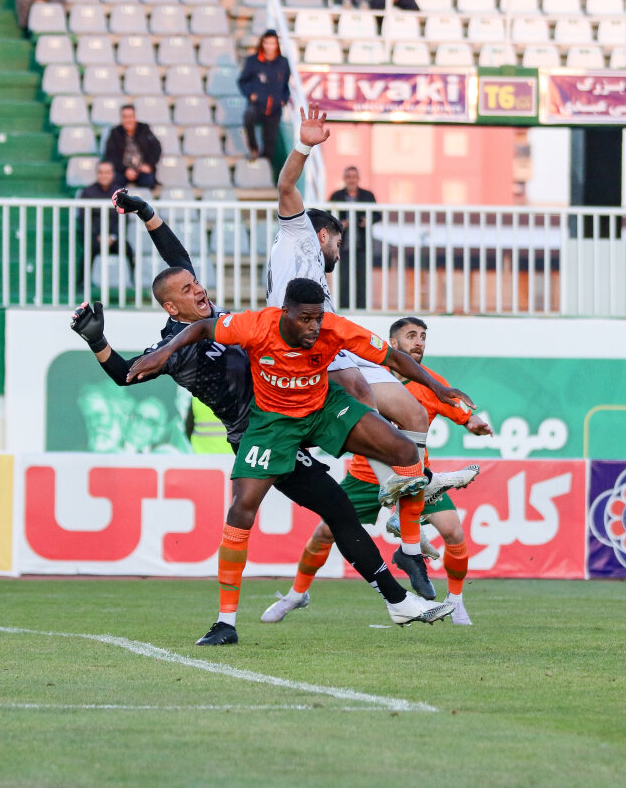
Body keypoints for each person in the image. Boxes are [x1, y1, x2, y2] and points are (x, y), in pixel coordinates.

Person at [73, 192, 479, 643]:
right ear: (171, 307)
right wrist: (97, 341)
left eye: (196, 284)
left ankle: (408, 500)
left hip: (304, 407)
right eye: (187, 291)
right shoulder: (177, 350)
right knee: (316, 509)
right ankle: (231, 621)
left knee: (374, 427)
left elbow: (178, 259)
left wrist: (146, 213)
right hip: (261, 431)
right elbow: (125, 374)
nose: (199, 290)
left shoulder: (224, 317)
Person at [269, 103, 477, 574]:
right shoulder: (298, 234)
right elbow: (286, 186)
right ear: (324, 234)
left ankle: (406, 520)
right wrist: (303, 145)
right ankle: (400, 485)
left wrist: (439, 389)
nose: (339, 252)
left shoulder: (319, 282)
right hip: (301, 342)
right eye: (339, 243)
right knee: (361, 394)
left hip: (332, 338)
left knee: (412, 412)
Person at [262, 317, 491, 626]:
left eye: (423, 336)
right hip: (365, 475)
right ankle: (296, 594)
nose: (419, 342)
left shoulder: (430, 382)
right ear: (393, 344)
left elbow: (462, 414)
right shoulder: (367, 375)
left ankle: (456, 601)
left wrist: (474, 424)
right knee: (324, 533)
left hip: (414, 473)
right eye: (411, 336)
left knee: (453, 531)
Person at [329, 166, 381, 309]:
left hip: (362, 245)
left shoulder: (367, 195)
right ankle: (343, 307)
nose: (351, 180)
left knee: (362, 278)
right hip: (342, 246)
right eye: (349, 177)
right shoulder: (337, 196)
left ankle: (361, 307)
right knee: (343, 278)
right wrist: (340, 224)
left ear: (358, 179)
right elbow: (329, 216)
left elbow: (378, 215)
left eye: (354, 177)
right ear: (344, 179)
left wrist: (368, 221)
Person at [238, 30, 291, 162]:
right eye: (266, 43)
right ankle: (253, 148)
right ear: (262, 43)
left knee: (270, 146)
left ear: (277, 45)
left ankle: (264, 166)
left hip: (274, 109)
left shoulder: (283, 63)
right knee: (248, 117)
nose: (269, 46)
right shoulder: (253, 61)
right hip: (257, 105)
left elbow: (286, 85)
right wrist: (250, 94)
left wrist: (283, 99)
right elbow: (243, 81)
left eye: (272, 43)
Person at [76, 160, 132, 271]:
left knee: (128, 250)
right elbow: (84, 218)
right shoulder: (87, 193)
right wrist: (98, 236)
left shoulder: (120, 193)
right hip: (94, 238)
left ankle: (133, 278)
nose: (104, 176)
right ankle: (83, 281)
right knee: (89, 251)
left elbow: (124, 218)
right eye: (101, 172)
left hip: (114, 238)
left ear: (113, 174)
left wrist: (112, 236)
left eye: (107, 172)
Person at [103, 105, 161, 189]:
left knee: (148, 181)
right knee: (114, 183)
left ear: (135, 117)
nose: (128, 120)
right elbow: (110, 155)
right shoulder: (115, 132)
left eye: (130, 116)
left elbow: (156, 148)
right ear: (121, 119)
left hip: (142, 169)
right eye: (125, 117)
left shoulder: (144, 129)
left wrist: (148, 164)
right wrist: (125, 170)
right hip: (122, 171)